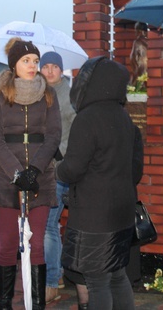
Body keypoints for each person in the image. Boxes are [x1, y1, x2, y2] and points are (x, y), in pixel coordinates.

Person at [57, 57, 144, 310]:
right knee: (117, 276)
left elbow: (72, 168)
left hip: (94, 216)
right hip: (122, 213)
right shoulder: (124, 118)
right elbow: (134, 170)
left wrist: (56, 171)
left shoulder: (87, 118)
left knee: (96, 282)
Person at [0, 38, 61, 310]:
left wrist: (34, 170)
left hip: (40, 178)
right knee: (6, 246)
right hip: (5, 178)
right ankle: (4, 304)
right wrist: (17, 173)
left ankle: (37, 304)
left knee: (38, 245)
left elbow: (53, 136)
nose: (32, 66)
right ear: (14, 64)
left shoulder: (48, 95)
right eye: (26, 61)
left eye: (35, 61)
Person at [40, 51, 76, 304]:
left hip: (61, 167)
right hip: (38, 167)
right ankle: (57, 274)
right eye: (46, 66)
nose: (50, 70)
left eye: (54, 66)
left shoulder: (71, 93)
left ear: (61, 69)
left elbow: (80, 128)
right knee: (43, 224)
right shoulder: (36, 92)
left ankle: (52, 281)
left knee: (49, 224)